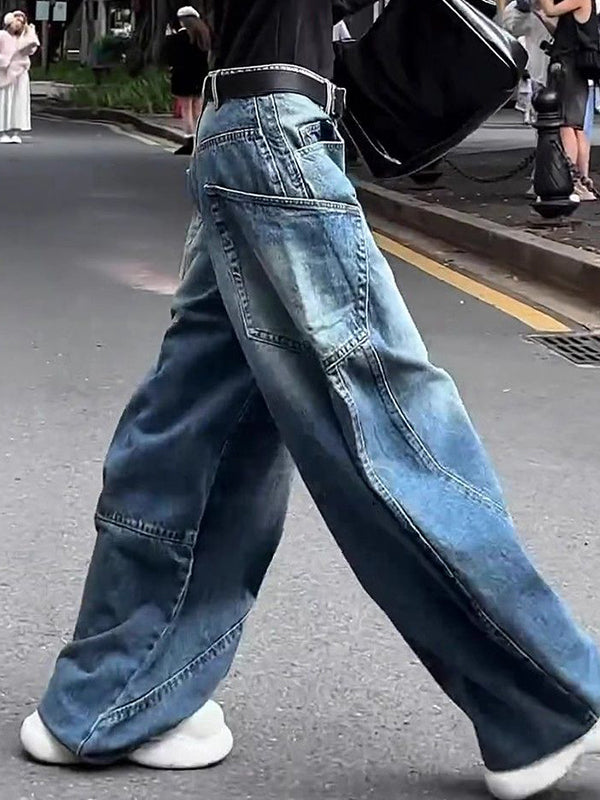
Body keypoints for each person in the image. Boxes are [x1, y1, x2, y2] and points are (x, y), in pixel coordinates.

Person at [19, 1, 600, 798]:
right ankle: (547, 698)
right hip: (275, 130)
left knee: (196, 422)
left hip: (242, 125)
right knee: (383, 411)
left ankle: (113, 691)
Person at [538, 0, 599, 200]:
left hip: (568, 68)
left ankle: (570, 180)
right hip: (577, 68)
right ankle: (581, 181)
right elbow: (563, 30)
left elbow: (550, 9)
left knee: (566, 124)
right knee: (577, 128)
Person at [164, 5, 210, 156]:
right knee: (198, 109)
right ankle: (201, 140)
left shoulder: (177, 38)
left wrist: (169, 37)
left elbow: (170, 57)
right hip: (200, 75)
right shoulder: (203, 36)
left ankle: (189, 141)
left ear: (182, 21)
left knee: (186, 109)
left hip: (182, 76)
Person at [0, 10, 38, 145]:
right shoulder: (2, 35)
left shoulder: (24, 37)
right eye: (16, 20)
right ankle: (2, 132)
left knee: (19, 101)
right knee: (4, 101)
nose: (18, 24)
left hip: (21, 73)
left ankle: (16, 132)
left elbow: (32, 46)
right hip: (5, 73)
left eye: (22, 21)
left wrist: (29, 31)